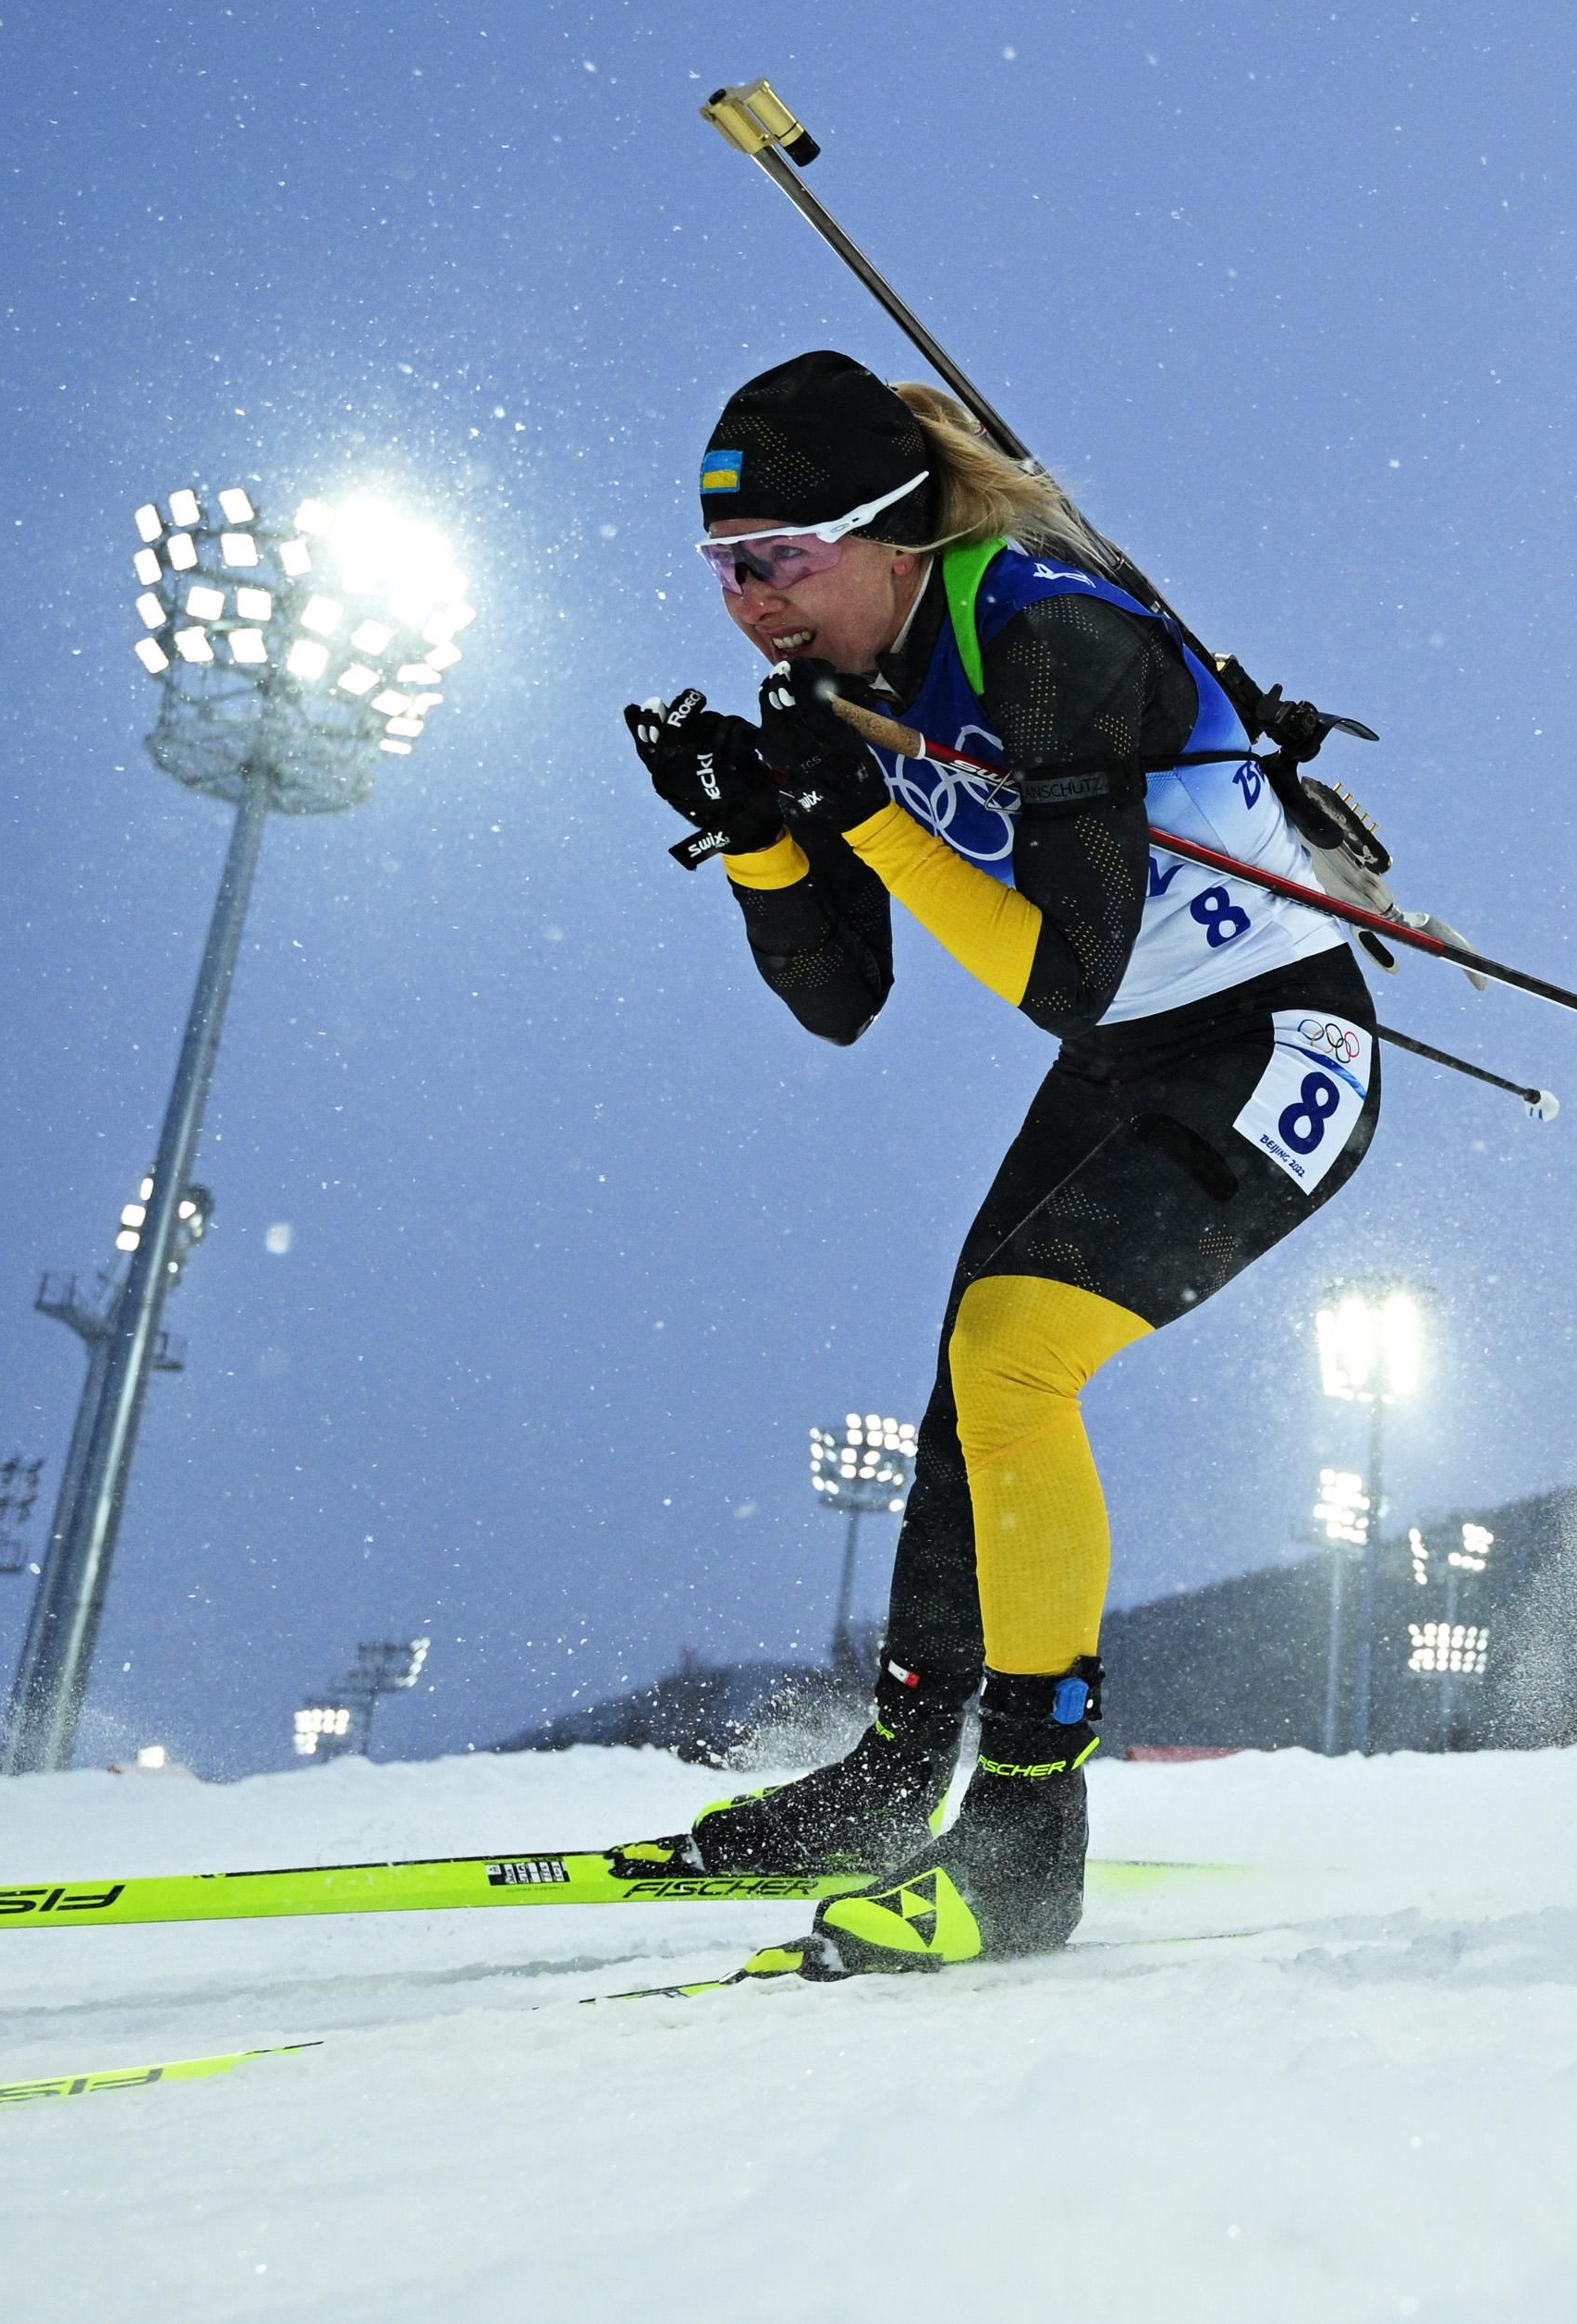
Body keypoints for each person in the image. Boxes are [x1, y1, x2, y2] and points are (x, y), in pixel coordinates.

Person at [618, 351, 1386, 1975]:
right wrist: (763, 827)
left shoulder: (1051, 638)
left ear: (889, 534)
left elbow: (1069, 970)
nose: (750, 605)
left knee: (1015, 1350)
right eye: (723, 572)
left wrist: (870, 814)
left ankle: (1028, 1834)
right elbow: (843, 998)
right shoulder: (841, 683)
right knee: (968, 1381)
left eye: (778, 560)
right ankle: (903, 1781)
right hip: (1130, 1057)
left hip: (1270, 1046)